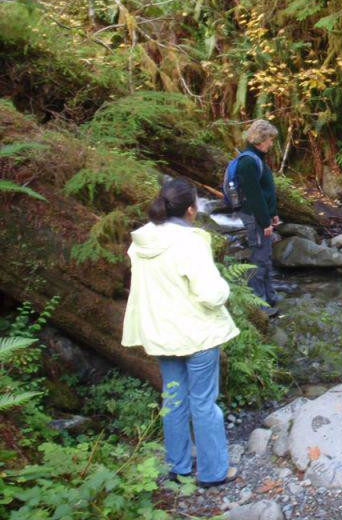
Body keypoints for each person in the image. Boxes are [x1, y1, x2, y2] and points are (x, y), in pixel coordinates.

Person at [122, 178, 240, 487]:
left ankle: (179, 467)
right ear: (190, 210)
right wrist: (225, 287)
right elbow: (211, 294)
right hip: (196, 333)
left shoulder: (141, 241)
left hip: (160, 333)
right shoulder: (190, 242)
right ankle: (214, 472)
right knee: (203, 402)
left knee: (173, 398)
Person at [236, 120, 281, 315]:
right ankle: (259, 304)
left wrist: (273, 214)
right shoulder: (247, 162)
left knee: (266, 257)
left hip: (262, 216)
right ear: (261, 139)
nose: (272, 144)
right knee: (259, 259)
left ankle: (270, 296)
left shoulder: (256, 158)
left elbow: (265, 192)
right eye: (270, 139)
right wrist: (264, 221)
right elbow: (254, 196)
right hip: (255, 218)